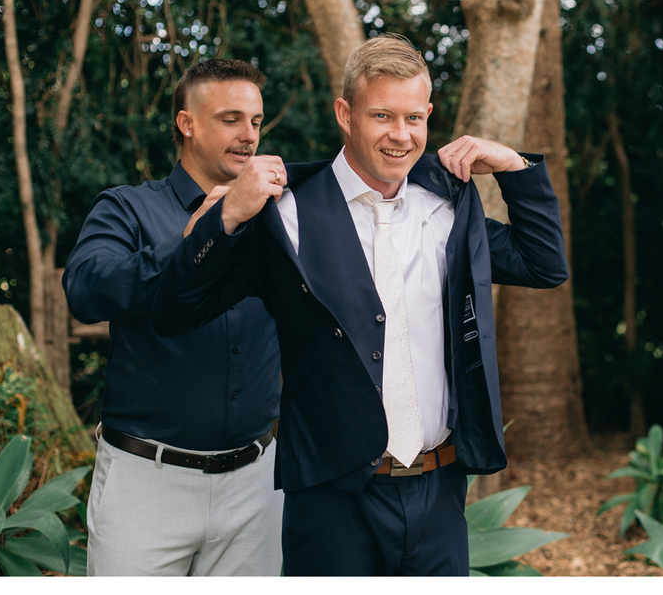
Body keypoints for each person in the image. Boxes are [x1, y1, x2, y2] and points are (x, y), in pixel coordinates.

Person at [152, 34, 569, 575]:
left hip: (439, 492)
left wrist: (515, 167)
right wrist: (227, 215)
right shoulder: (284, 214)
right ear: (345, 114)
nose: (401, 135)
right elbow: (175, 311)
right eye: (382, 116)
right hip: (330, 501)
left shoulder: (448, 206)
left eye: (414, 118)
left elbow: (544, 265)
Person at [62, 59, 284, 576]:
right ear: (187, 123)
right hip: (146, 483)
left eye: (255, 121)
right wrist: (207, 231)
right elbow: (87, 290)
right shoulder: (127, 208)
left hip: (256, 486)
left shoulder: (281, 216)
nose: (248, 135)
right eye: (231, 119)